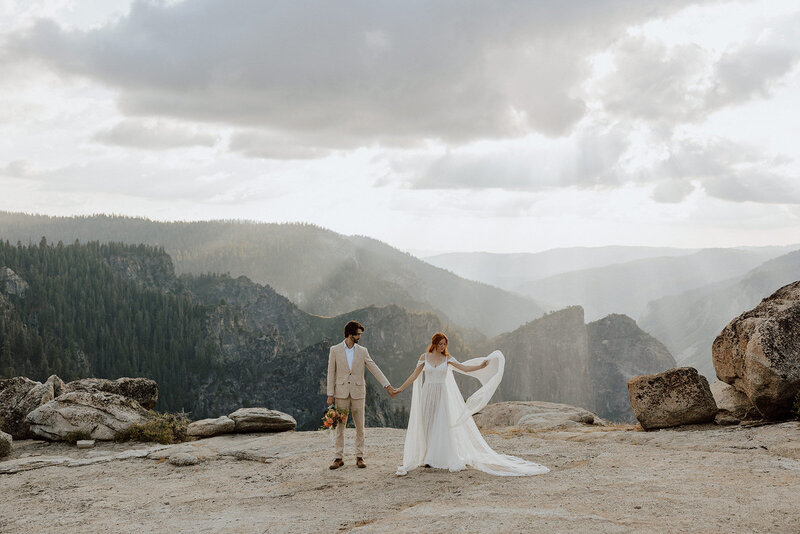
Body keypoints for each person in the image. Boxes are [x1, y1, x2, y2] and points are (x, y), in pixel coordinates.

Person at [391, 332, 549, 476]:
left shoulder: (447, 358)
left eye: (445, 344)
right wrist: (400, 389)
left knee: (440, 424)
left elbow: (464, 368)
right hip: (428, 393)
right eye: (440, 344)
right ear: (434, 343)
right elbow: (414, 376)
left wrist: (480, 366)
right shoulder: (424, 357)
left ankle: (433, 458)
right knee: (427, 423)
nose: (443, 347)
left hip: (442, 394)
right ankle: (425, 455)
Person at [326, 320, 393, 470]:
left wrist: (387, 385)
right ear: (350, 335)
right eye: (358, 334)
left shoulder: (362, 351)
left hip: (358, 393)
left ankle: (359, 457)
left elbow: (374, 367)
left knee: (360, 427)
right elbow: (331, 372)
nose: (360, 337)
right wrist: (330, 394)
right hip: (341, 393)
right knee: (340, 426)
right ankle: (338, 458)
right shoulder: (335, 350)